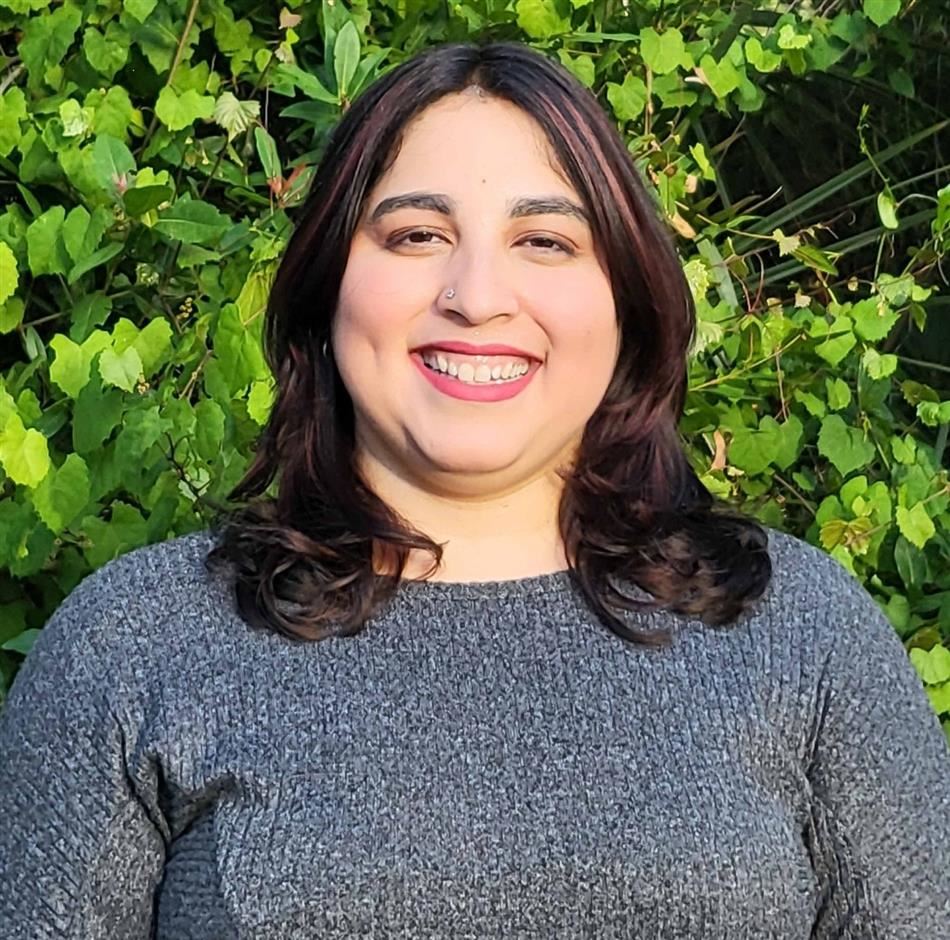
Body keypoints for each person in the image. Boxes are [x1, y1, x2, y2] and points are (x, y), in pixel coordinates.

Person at [0, 40, 948, 939]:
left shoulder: (802, 634)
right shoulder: (135, 647)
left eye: (545, 241)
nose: (477, 294)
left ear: (627, 299)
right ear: (328, 287)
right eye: (417, 235)